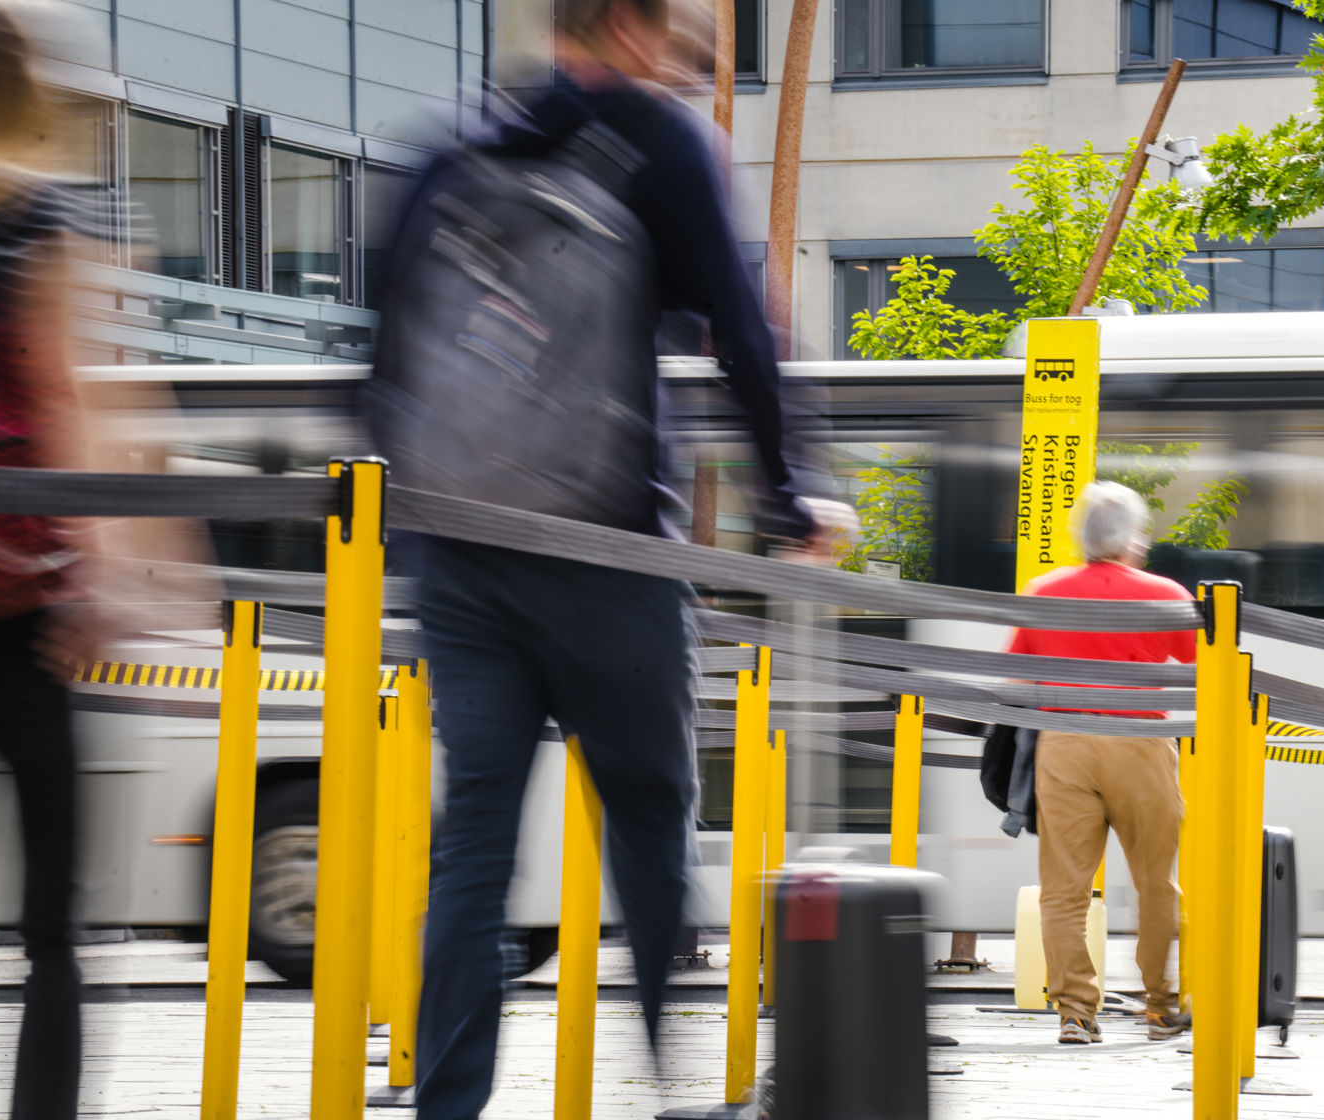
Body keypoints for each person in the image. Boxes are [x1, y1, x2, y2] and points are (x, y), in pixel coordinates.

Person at [370, 1, 850, 1116]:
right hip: (606, 549)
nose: (683, 70)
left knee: (476, 829)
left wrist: (413, 524)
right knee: (645, 807)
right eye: (679, 45)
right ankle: (670, 1073)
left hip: (462, 550)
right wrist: (794, 490)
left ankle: (450, 1097)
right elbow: (740, 330)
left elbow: (381, 356)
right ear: (630, 28)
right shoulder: (656, 143)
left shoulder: (446, 145)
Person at [0, 3, 101, 1116]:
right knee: (52, 919)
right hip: (18, 597)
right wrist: (89, 571)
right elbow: (63, 401)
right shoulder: (35, 223)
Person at [1007, 481, 1197, 1044]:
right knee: (1155, 882)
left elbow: (1018, 676)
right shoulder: (1163, 593)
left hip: (1064, 746)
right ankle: (1160, 1005)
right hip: (1139, 743)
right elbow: (1200, 660)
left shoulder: (1043, 591)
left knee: (1064, 889)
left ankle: (1075, 1013)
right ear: (1133, 538)